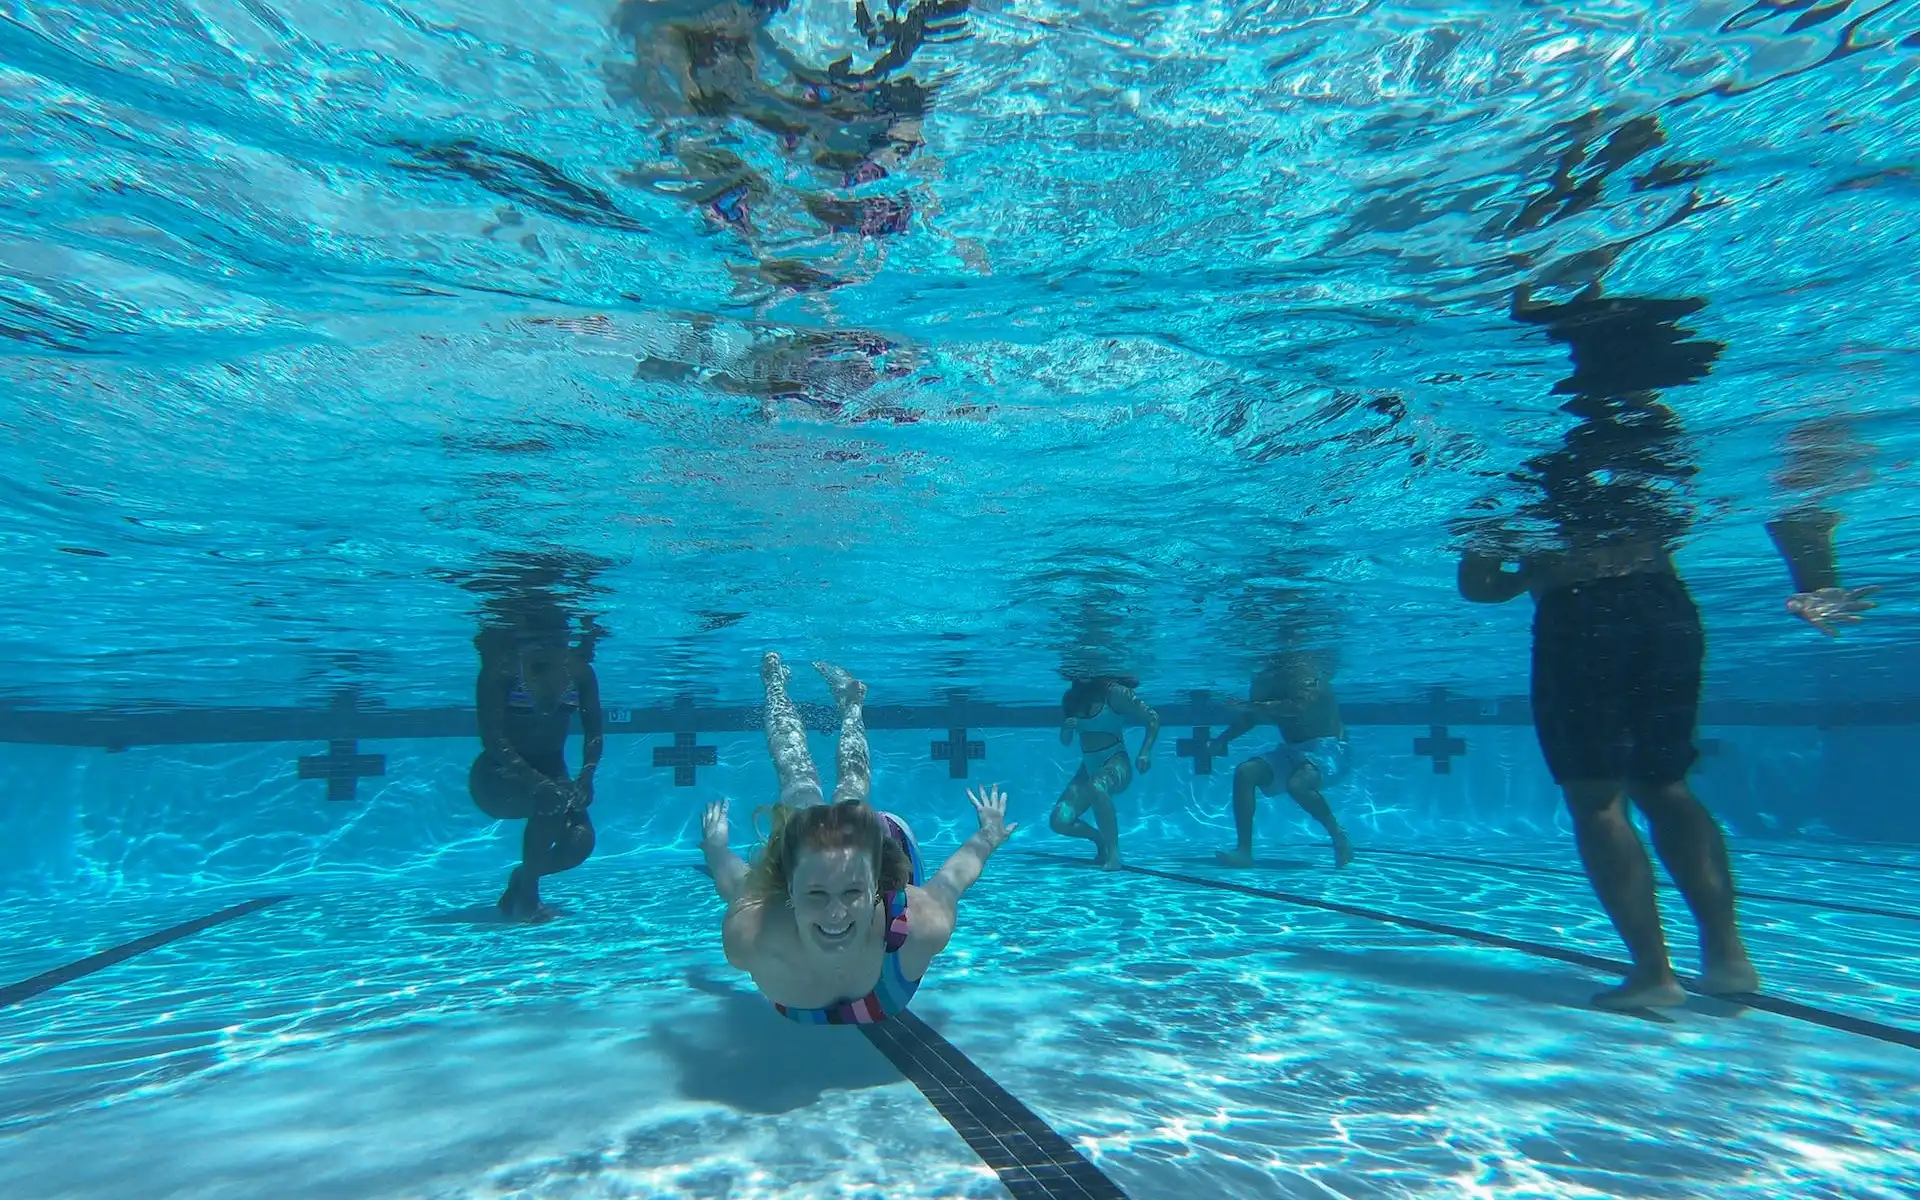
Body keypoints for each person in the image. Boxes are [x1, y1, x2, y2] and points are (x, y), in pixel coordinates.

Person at [1455, 283, 1875, 1010]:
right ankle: (1729, 960)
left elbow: (1478, 584)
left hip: (1582, 618)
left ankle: (1653, 975)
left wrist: (1533, 570)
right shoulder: (1672, 458)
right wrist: (1815, 585)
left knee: (1597, 800)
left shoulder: (1539, 473)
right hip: (1666, 606)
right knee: (1667, 786)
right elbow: (1791, 510)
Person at [699, 652, 1014, 1024]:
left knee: (834, 795)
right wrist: (715, 848)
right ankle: (787, 690)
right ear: (788, 890)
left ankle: (845, 703)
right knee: (801, 787)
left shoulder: (921, 926)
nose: (835, 914)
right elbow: (735, 882)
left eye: (851, 893)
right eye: (817, 894)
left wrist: (988, 835)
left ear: (877, 887)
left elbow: (952, 880)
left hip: (884, 845)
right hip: (830, 859)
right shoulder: (752, 937)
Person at [468, 607, 604, 922]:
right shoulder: (503, 668)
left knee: (580, 842)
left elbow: (594, 734)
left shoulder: (579, 671)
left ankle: (523, 877)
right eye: (540, 638)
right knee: (551, 802)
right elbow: (493, 739)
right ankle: (528, 899)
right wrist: (536, 782)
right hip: (497, 775)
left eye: (557, 637)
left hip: (552, 773)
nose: (549, 644)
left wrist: (586, 776)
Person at [1209, 654, 1354, 869]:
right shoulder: (1264, 679)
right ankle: (1243, 852)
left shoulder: (1306, 674)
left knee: (1298, 785)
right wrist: (1222, 740)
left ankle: (1338, 835)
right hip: (1293, 750)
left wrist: (1251, 706)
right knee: (1246, 772)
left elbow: (1298, 707)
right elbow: (1251, 717)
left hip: (1329, 748)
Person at [1051, 675, 1159, 870]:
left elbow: (1152, 717)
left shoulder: (1115, 693)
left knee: (1097, 786)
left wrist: (1146, 751)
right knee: (1059, 821)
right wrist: (1065, 730)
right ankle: (1099, 838)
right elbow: (1066, 741)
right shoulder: (1071, 698)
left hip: (1116, 761)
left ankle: (1113, 854)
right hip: (1087, 768)